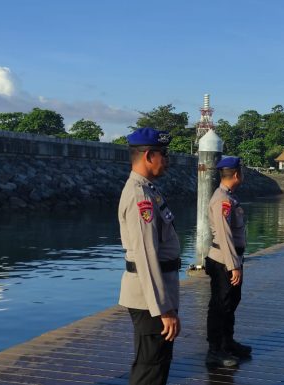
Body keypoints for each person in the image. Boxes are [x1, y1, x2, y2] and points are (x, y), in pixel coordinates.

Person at [118, 127, 181, 385]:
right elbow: (146, 255)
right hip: (149, 299)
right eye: (163, 154)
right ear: (148, 156)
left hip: (156, 292)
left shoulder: (149, 190)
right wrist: (163, 309)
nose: (166, 160)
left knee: (158, 362)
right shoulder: (139, 196)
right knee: (150, 367)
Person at [206, 156, 250, 367]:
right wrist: (233, 266)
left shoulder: (230, 197)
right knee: (220, 305)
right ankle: (215, 350)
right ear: (235, 174)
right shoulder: (222, 199)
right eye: (241, 171)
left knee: (231, 303)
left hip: (232, 259)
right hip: (223, 261)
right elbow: (224, 236)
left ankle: (227, 342)